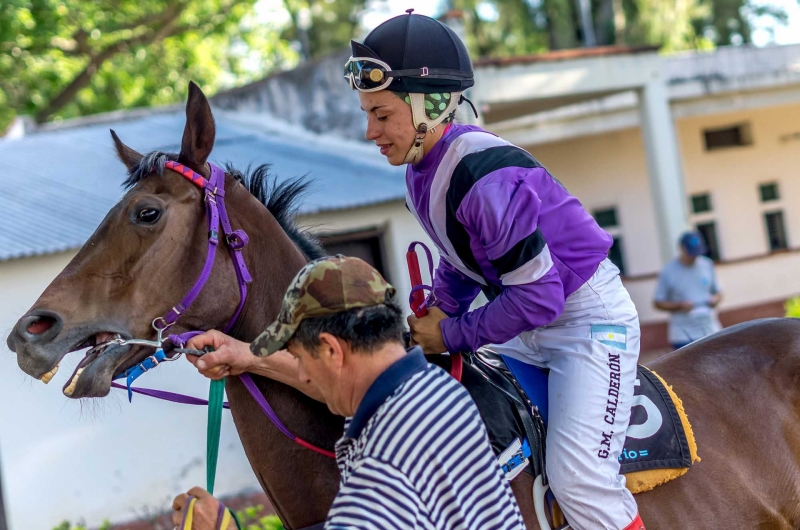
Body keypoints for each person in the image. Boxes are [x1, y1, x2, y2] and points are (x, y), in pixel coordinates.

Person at [343, 12, 645, 530]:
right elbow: (462, 259)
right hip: (527, 324)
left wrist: (453, 333)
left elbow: (541, 299)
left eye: (382, 114)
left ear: (430, 105)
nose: (370, 131)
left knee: (580, 481)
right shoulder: (423, 167)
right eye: (368, 113)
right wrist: (441, 306)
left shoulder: (483, 180)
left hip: (585, 323)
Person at [171, 256, 525, 530]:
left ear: (332, 350)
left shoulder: (384, 459)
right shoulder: (437, 391)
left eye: (300, 358)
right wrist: (245, 356)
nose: (303, 373)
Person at [654, 231, 723, 350]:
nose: (694, 257)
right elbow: (658, 303)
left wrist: (715, 299)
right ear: (681, 248)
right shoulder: (668, 271)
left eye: (697, 252)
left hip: (710, 329)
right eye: (691, 252)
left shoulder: (707, 264)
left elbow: (718, 292)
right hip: (683, 335)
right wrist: (680, 306)